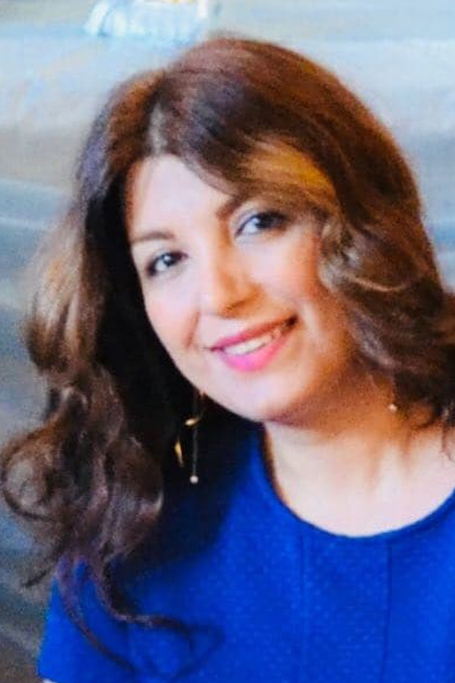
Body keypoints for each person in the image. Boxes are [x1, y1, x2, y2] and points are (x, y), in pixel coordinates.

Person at [3, 36, 455, 683]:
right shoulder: (128, 535)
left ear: (362, 219)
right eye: (166, 260)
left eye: (259, 222)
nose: (218, 294)